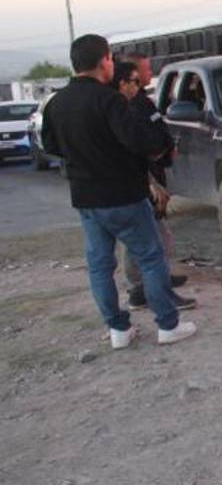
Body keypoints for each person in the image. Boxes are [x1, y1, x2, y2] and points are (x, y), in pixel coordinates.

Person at [42, 35, 197, 349]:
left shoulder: (57, 103)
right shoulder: (109, 100)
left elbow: (52, 147)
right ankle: (168, 325)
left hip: (86, 199)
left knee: (100, 266)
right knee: (151, 259)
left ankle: (118, 331)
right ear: (103, 61)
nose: (112, 64)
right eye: (111, 59)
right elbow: (142, 141)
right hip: (123, 195)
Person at [111, 58, 196, 311]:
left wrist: (166, 150)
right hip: (139, 183)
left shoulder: (140, 102)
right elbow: (133, 149)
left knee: (158, 237)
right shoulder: (122, 109)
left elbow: (155, 133)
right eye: (140, 75)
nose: (146, 77)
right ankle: (147, 293)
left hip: (151, 176)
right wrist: (149, 181)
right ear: (123, 81)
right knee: (150, 241)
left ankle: (155, 286)